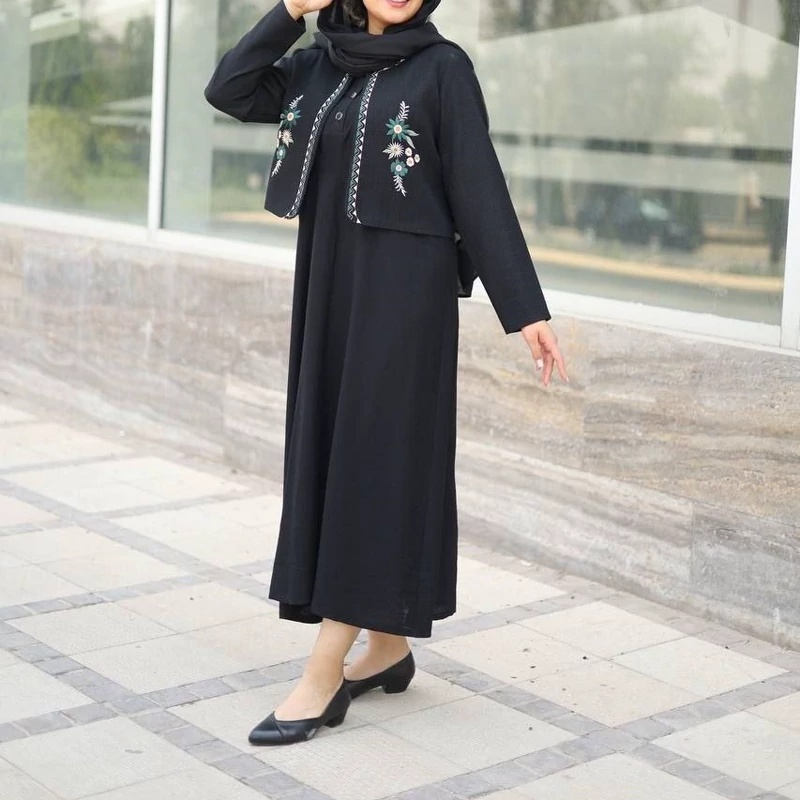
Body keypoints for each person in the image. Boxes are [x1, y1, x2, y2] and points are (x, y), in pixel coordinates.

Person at [204, 0, 568, 746]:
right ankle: (389, 647)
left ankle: (323, 672)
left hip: (405, 302)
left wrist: (524, 308)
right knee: (338, 458)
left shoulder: (442, 69)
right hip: (331, 290)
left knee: (372, 466)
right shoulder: (318, 62)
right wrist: (290, 10)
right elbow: (230, 88)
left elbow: (479, 187)